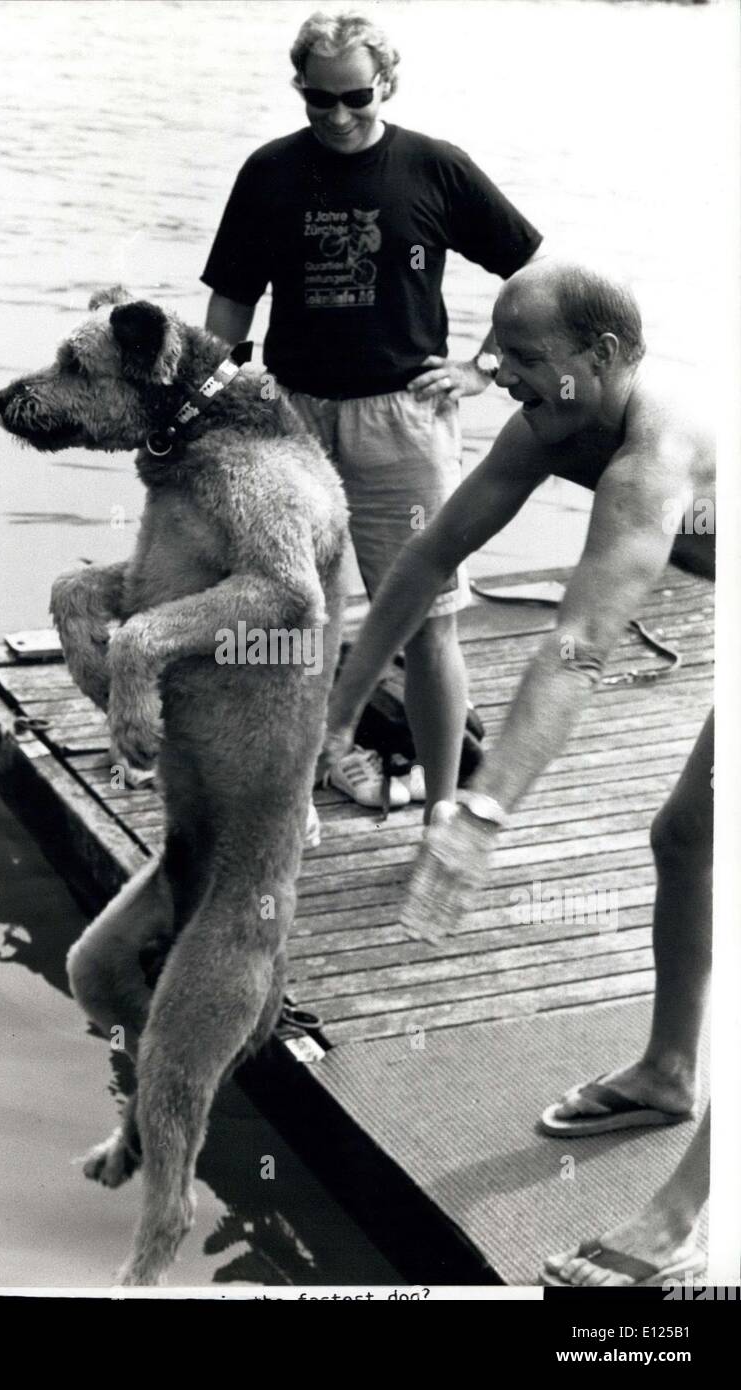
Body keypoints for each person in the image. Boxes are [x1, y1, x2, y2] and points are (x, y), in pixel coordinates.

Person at [324, 257, 715, 1286]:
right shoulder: (549, 423)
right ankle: (670, 1072)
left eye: (526, 359)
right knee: (684, 836)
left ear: (607, 357)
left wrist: (482, 810)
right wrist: (336, 709)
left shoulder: (650, 455)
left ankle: (687, 1219)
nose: (499, 375)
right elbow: (425, 559)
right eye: (494, 350)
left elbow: (581, 643)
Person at [201, 9, 542, 817]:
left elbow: (535, 273)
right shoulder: (269, 172)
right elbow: (229, 305)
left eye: (356, 96)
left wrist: (485, 367)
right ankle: (293, 796)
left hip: (402, 420)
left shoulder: (433, 167)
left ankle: (443, 812)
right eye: (320, 101)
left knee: (426, 624)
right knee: (295, 618)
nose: (340, 116)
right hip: (292, 422)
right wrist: (214, 408)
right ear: (300, 92)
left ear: (385, 83)